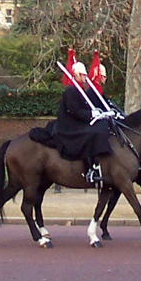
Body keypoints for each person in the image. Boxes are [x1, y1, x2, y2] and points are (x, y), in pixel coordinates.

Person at [53, 50, 114, 184]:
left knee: (101, 127)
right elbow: (74, 111)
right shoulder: (71, 90)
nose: (86, 78)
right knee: (93, 133)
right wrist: (92, 114)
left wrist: (98, 113)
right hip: (70, 126)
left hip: (79, 122)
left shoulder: (80, 90)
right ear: (76, 75)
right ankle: (92, 167)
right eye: (83, 75)